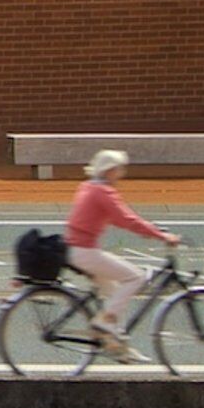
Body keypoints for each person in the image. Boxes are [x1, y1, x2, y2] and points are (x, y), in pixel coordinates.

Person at [66, 148, 181, 359]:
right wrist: (161, 235)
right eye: (119, 169)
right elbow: (126, 219)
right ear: (109, 170)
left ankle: (117, 345)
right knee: (136, 277)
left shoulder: (88, 187)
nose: (121, 174)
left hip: (75, 250)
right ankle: (104, 324)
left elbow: (117, 218)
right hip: (85, 252)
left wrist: (148, 230)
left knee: (114, 294)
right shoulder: (103, 193)